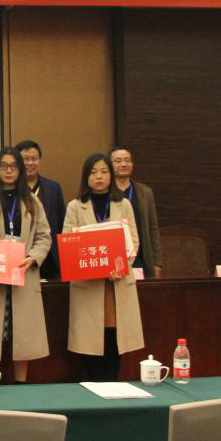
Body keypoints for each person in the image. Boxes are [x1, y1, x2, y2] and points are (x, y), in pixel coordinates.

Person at [0, 147, 52, 382]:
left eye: (14, 166)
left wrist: (33, 257)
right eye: (3, 166)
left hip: (23, 274)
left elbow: (44, 236)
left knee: (22, 335)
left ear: (20, 170)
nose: (8, 170)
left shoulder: (32, 201)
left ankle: (20, 384)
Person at [64, 153, 144, 381]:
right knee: (89, 343)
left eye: (104, 171)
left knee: (114, 339)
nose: (99, 176)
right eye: (93, 172)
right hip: (88, 286)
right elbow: (68, 243)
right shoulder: (75, 206)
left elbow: (133, 241)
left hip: (116, 283)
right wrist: (92, 267)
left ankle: (112, 385)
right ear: (86, 177)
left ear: (111, 175)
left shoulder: (123, 204)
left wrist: (121, 266)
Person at [14, 140, 66, 280]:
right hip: (21, 257)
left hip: (50, 258)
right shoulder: (11, 190)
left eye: (34, 159)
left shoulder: (53, 188)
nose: (30, 163)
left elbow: (61, 223)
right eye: (25, 159)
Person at [110, 146, 163, 279]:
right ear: (110, 165)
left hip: (141, 258)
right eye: (118, 161)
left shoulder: (145, 192)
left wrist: (157, 262)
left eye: (127, 160)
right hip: (113, 258)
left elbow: (153, 228)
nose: (124, 164)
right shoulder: (105, 192)